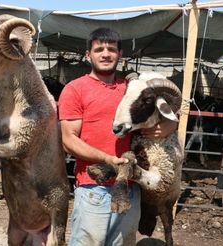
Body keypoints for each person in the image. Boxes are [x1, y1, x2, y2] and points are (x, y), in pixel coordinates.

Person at [58, 27, 178, 246]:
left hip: (131, 189)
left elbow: (167, 108)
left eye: (111, 49)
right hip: (93, 187)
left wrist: (170, 123)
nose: (105, 54)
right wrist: (107, 160)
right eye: (99, 49)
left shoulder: (133, 90)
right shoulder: (75, 89)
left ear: (120, 54)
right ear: (88, 55)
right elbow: (69, 140)